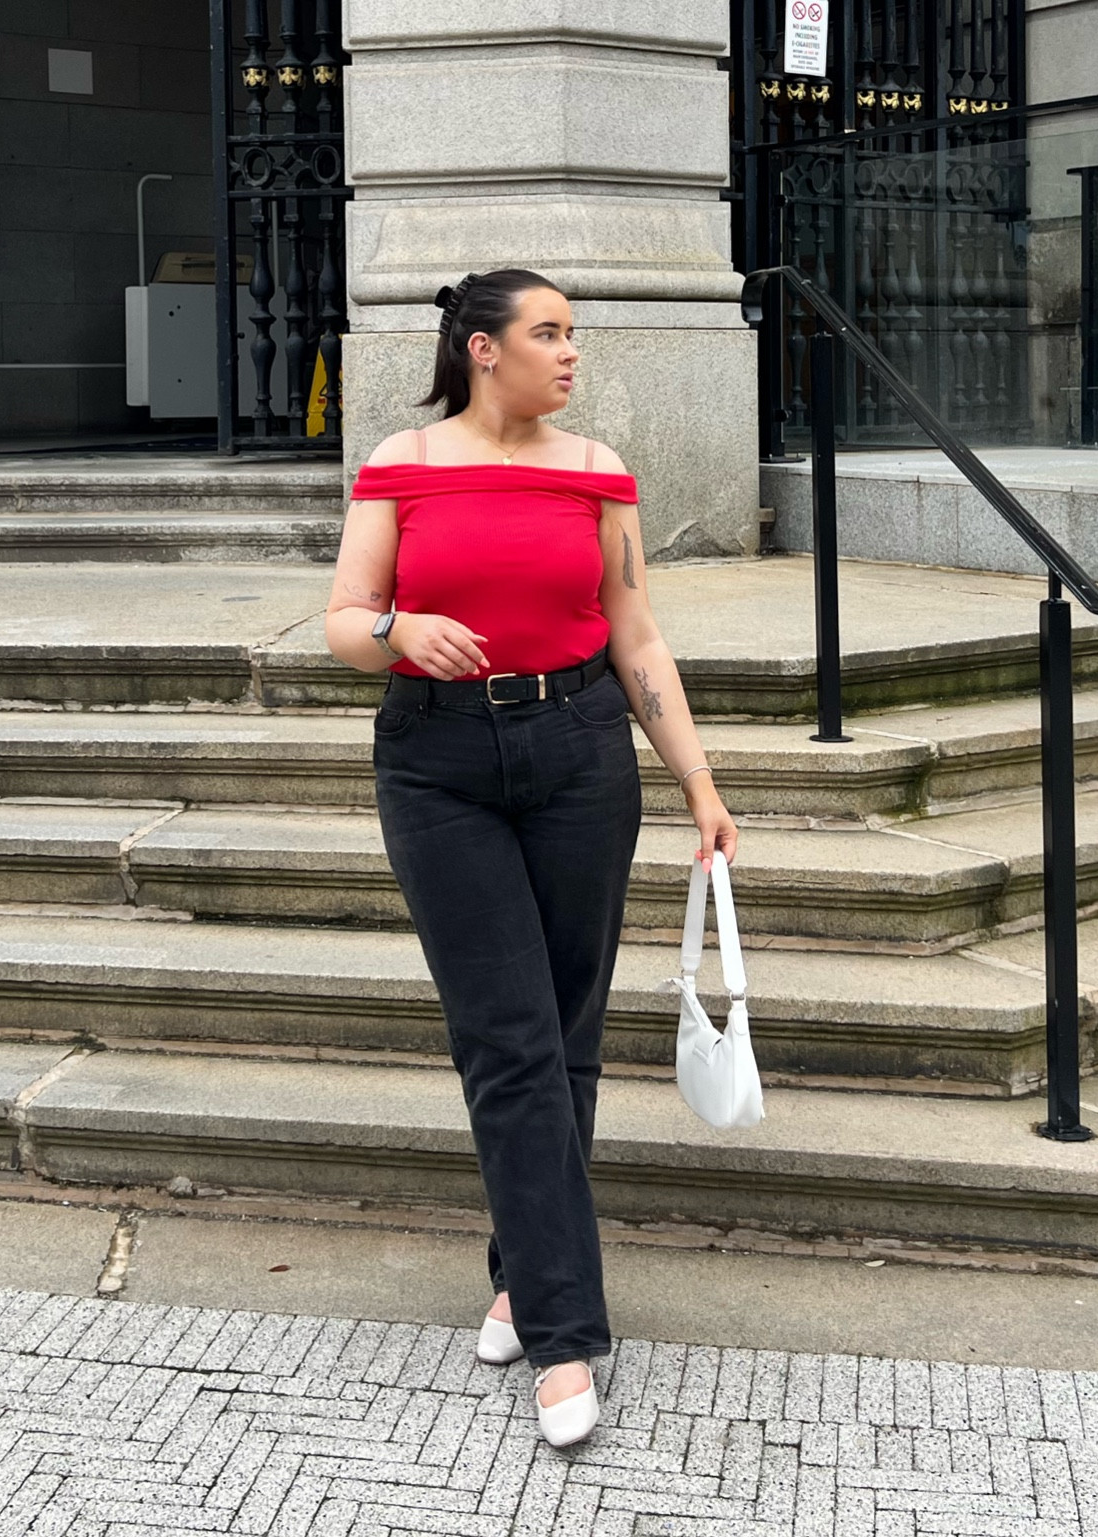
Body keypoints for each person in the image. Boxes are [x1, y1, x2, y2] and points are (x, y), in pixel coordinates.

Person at [324, 268, 738, 1448]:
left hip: (579, 752)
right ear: (481, 348)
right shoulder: (401, 463)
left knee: (564, 1035)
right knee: (508, 1039)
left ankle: (522, 1271)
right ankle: (563, 1334)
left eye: (571, 334)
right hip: (438, 761)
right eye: (547, 332)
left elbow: (636, 634)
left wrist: (698, 783)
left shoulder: (597, 469)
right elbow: (345, 620)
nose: (569, 353)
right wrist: (402, 629)